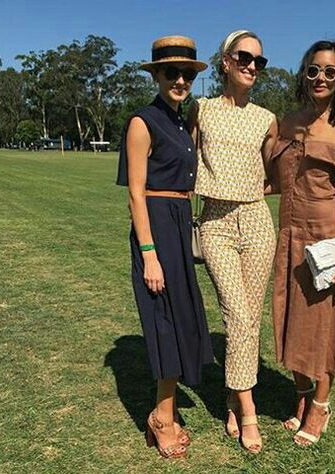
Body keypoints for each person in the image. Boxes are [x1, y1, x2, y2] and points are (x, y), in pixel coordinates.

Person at [266, 40, 335, 446]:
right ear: (304, 73)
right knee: (291, 318)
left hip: (326, 238)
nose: (320, 78)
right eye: (313, 69)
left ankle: (321, 407)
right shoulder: (289, 121)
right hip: (288, 235)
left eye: (330, 71)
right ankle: (303, 394)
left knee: (323, 325)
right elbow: (277, 180)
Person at [116, 36, 213, 459]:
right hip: (155, 227)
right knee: (163, 320)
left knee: (180, 317)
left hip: (178, 224)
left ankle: (164, 410)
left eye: (187, 74)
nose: (179, 79)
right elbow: (136, 194)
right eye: (170, 72)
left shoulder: (180, 122)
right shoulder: (143, 121)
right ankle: (162, 418)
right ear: (155, 75)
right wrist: (150, 253)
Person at [188, 30, 278, 453]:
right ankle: (249, 413)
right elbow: (183, 163)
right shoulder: (200, 110)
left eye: (259, 61)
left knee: (249, 318)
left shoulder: (266, 118)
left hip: (258, 221)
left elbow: (276, 175)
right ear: (225, 61)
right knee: (237, 315)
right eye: (244, 57)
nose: (252, 66)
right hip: (216, 222)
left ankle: (232, 397)